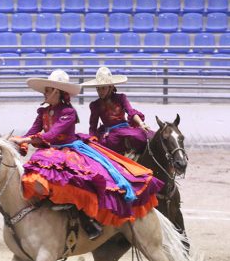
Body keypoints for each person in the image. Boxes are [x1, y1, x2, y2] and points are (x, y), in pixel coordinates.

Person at [10, 70, 163, 239]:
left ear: (57, 91)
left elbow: (51, 135)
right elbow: (33, 131)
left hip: (68, 149)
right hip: (51, 150)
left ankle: (87, 219)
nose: (44, 93)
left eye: (47, 90)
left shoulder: (68, 112)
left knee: (83, 179)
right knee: (38, 168)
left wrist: (26, 140)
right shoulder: (43, 112)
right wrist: (19, 140)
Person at [81, 66, 153, 156]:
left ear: (110, 87)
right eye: (98, 88)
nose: (100, 91)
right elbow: (93, 127)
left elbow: (131, 111)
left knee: (143, 136)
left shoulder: (121, 98)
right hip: (110, 133)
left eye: (103, 88)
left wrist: (141, 124)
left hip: (125, 129)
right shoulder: (95, 105)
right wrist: (92, 139)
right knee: (110, 142)